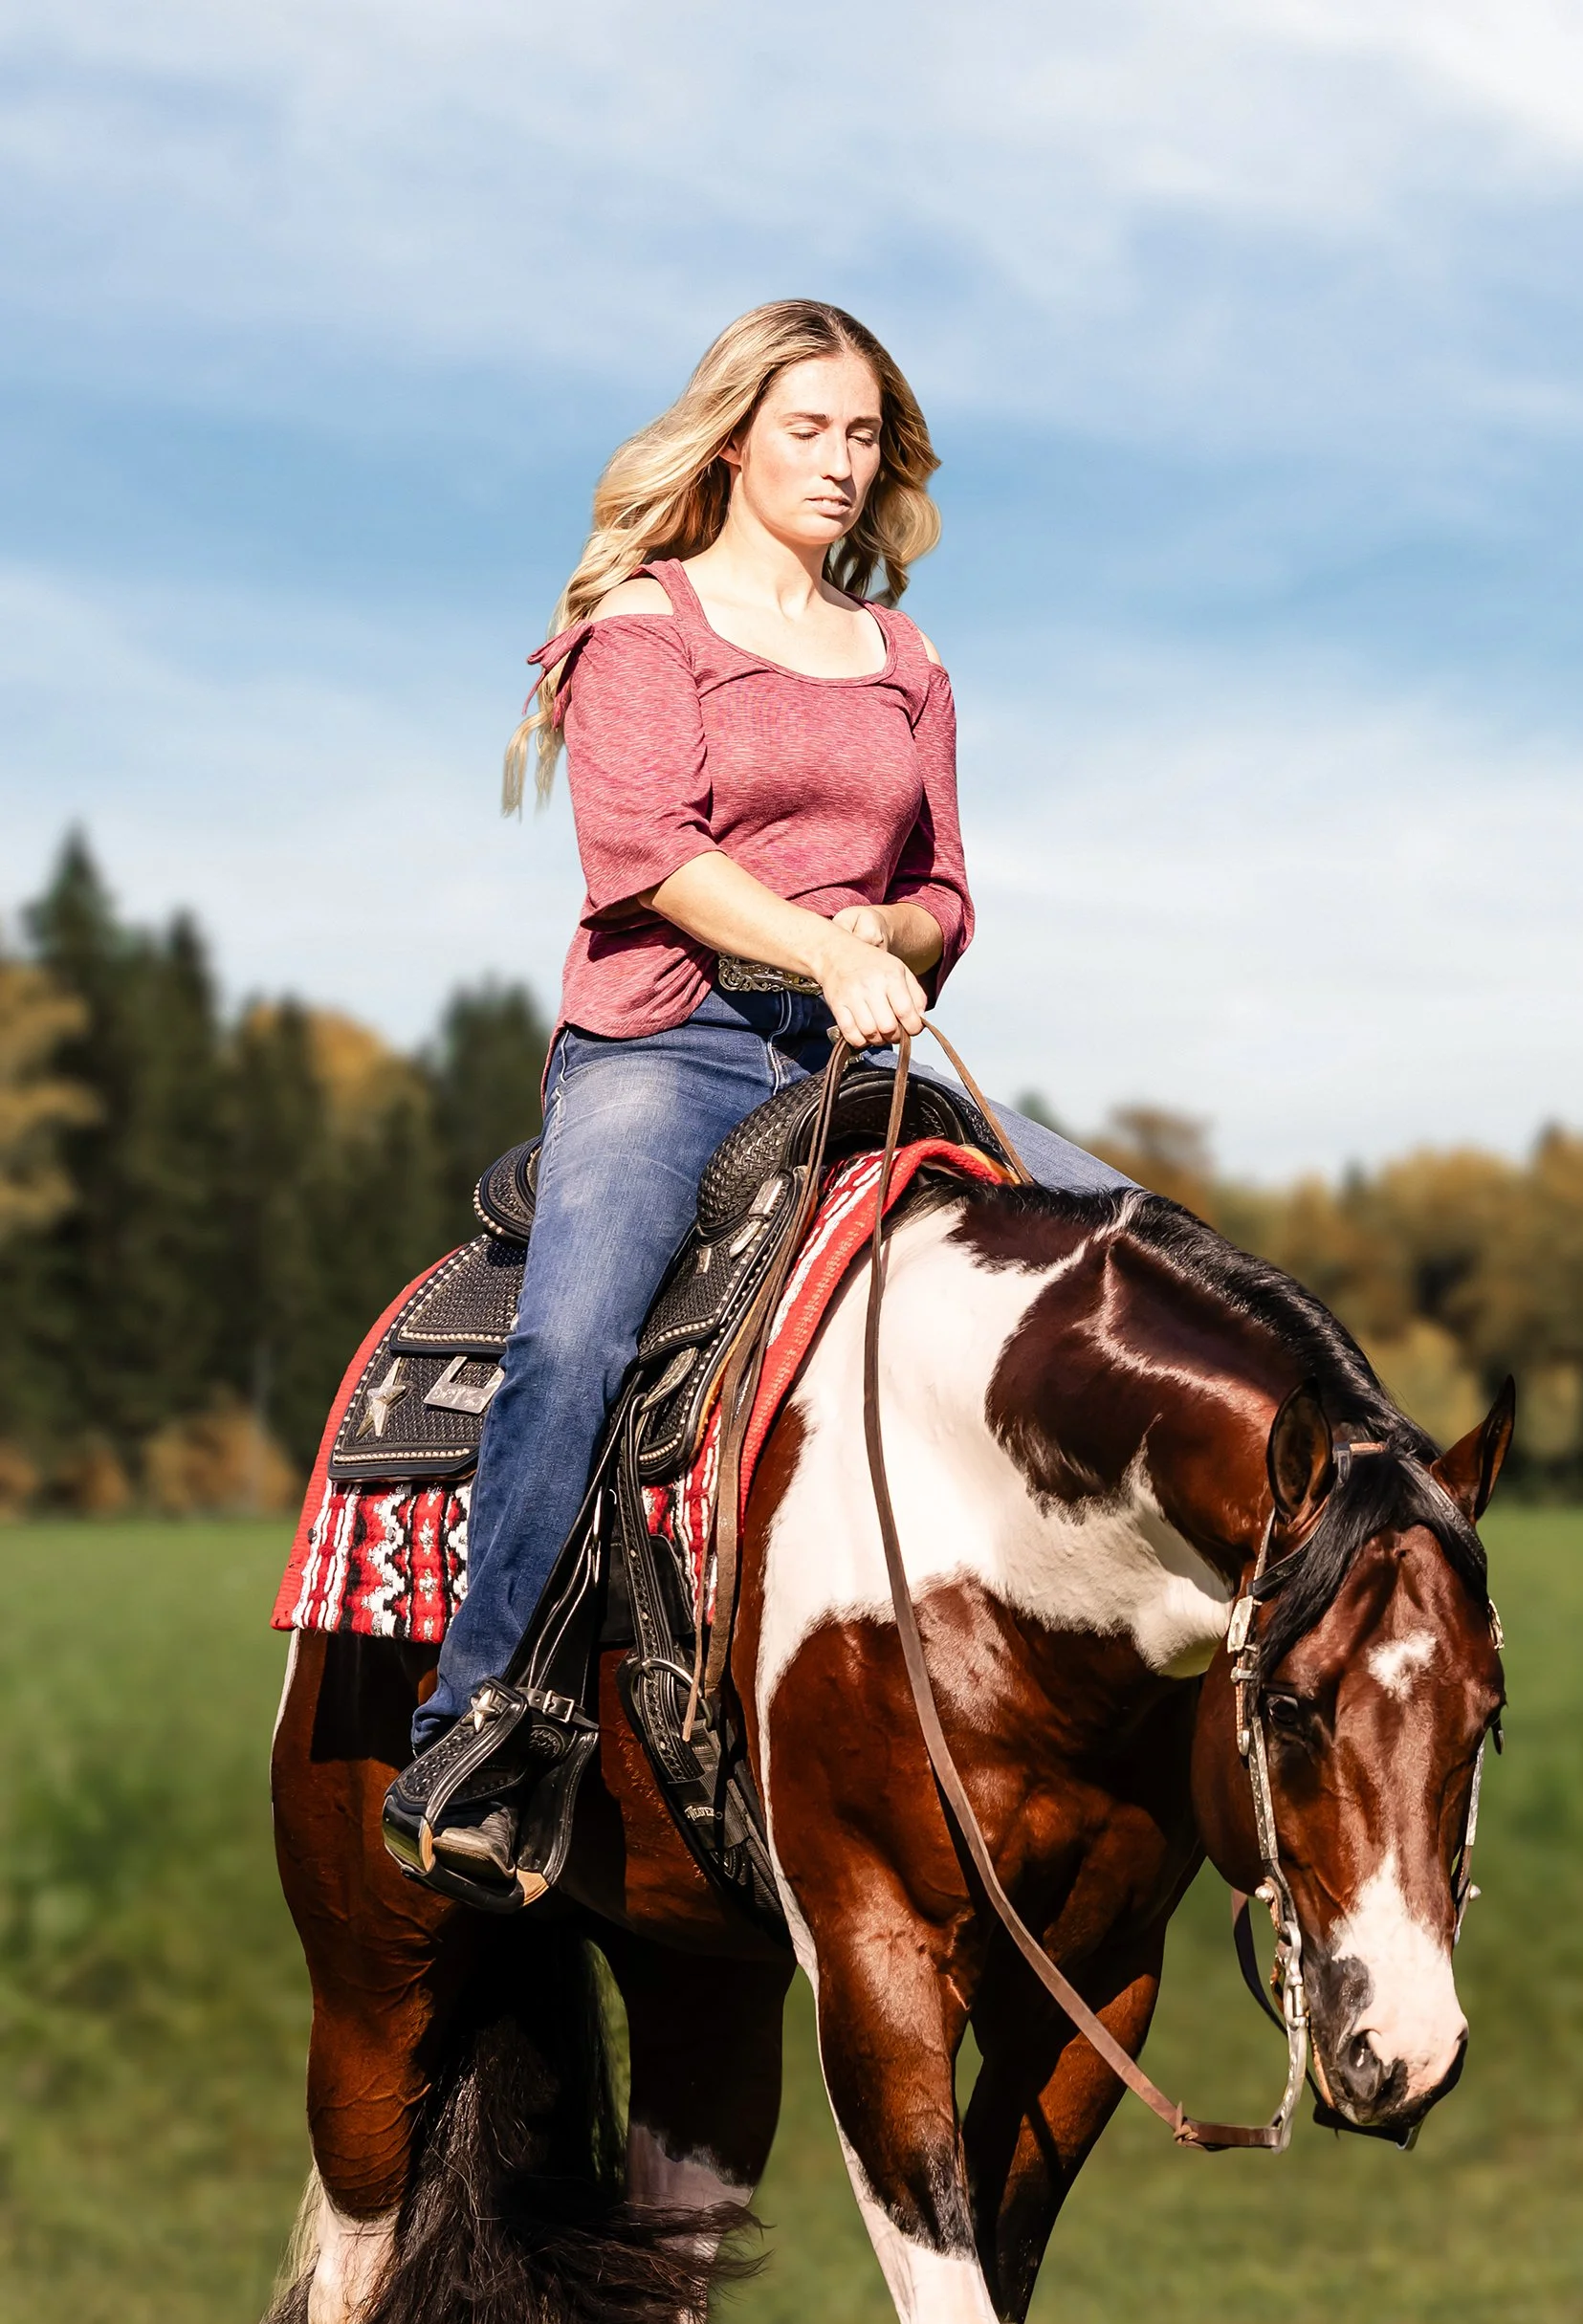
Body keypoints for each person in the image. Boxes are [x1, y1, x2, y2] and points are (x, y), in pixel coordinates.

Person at [385, 299, 1121, 1882]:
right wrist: (815, 947)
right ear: (733, 437)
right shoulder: (646, 631)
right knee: (576, 1332)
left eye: (866, 437)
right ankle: (481, 1716)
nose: (843, 465)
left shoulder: (903, 657)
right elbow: (649, 859)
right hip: (669, 1045)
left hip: (860, 1049)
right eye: (811, 429)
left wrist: (892, 935)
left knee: (1129, 1242)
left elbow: (949, 889)